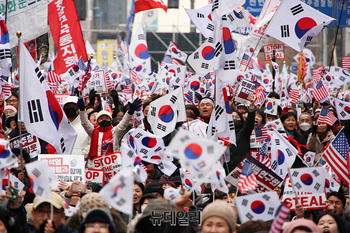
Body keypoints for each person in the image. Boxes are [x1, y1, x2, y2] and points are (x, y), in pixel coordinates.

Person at [77, 97, 142, 160]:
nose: (104, 120)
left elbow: (123, 123)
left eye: (106, 118)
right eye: (101, 119)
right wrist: (82, 110)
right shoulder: (93, 131)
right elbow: (85, 123)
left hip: (112, 165)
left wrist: (130, 112)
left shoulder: (115, 131)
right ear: (97, 121)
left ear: (111, 121)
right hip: (95, 165)